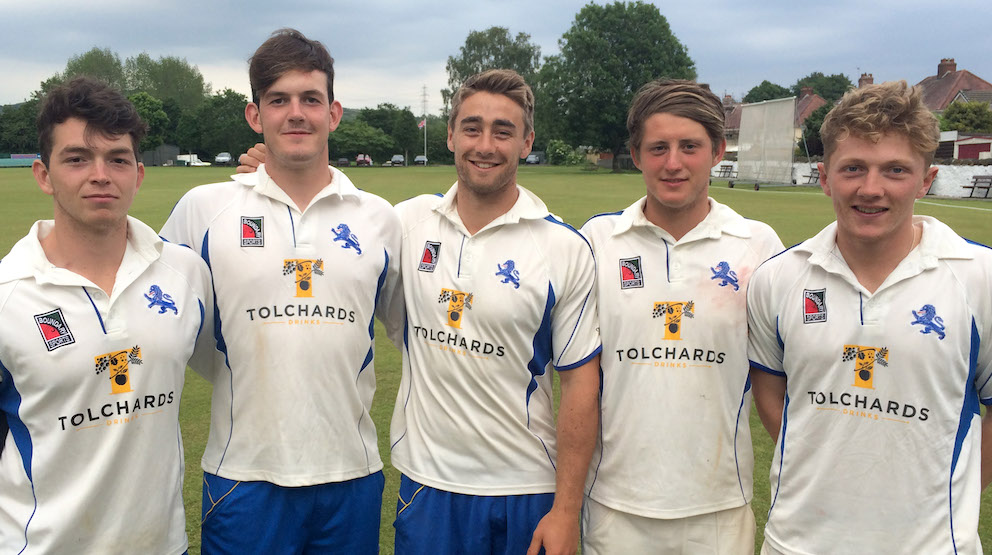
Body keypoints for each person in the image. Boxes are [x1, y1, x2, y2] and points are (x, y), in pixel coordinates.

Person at [160, 29, 402, 554]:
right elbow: (154, 316)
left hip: (351, 474)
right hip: (243, 474)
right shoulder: (203, 208)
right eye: (279, 100)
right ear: (255, 116)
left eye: (310, 99)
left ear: (333, 113)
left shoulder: (379, 219)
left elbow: (413, 330)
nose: (297, 113)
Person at [747, 80, 992, 553]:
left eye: (895, 170)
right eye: (853, 168)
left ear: (926, 179)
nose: (871, 189)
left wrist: (941, 502)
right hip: (798, 542)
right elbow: (772, 397)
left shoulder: (980, 278)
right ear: (824, 177)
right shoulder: (777, 280)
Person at [389, 68, 600, 555]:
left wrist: (566, 509)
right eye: (472, 128)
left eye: (503, 131)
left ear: (526, 142)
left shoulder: (562, 247)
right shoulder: (406, 223)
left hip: (525, 487)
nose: (485, 144)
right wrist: (264, 165)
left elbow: (581, 386)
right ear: (449, 136)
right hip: (428, 484)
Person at [0, 76, 212, 553]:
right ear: (43, 174)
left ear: (137, 174)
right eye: (77, 159)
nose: (100, 174)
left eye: (117, 159)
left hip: (162, 544)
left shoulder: (184, 272)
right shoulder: (7, 295)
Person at [580, 79, 783, 554]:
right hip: (614, 504)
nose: (673, 163)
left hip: (717, 508)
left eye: (689, 146)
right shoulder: (598, 240)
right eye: (658, 148)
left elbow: (784, 375)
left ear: (717, 151)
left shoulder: (758, 245)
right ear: (636, 154)